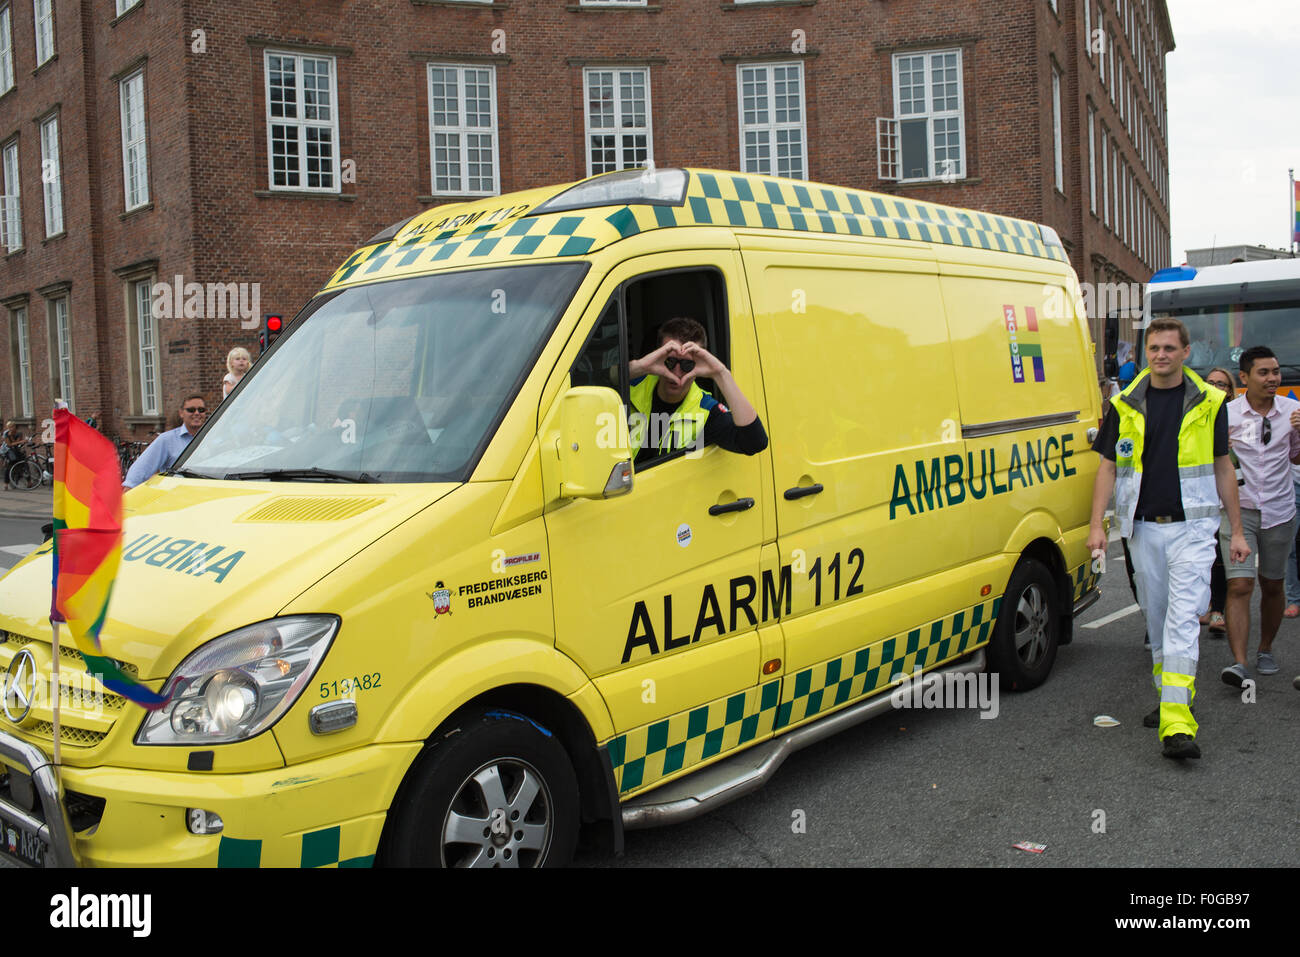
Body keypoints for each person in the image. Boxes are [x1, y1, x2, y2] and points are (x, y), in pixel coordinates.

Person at [1088, 318, 1247, 761]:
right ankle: (1169, 698)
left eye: (1169, 348)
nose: (1161, 355)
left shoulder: (1209, 401)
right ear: (1147, 352)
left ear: (1186, 352)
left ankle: (1178, 723)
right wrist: (1097, 524)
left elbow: (1222, 466)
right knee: (1157, 622)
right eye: (1154, 348)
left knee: (1181, 620)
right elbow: (1107, 467)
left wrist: (1235, 530)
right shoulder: (1123, 402)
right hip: (1142, 530)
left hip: (1192, 530)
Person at [1219, 346, 1300, 687]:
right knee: (1239, 584)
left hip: (1280, 511)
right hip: (1240, 511)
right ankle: (1240, 663)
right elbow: (1219, 461)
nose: (1272, 379)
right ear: (1245, 377)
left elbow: (1296, 458)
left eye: (1276, 372)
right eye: (1264, 373)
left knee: (1272, 584)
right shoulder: (1227, 415)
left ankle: (1265, 647)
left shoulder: (1293, 410)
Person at [626, 317, 767, 465]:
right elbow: (600, 378)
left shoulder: (704, 411)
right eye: (670, 361)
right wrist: (639, 367)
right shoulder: (631, 385)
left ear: (698, 364)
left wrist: (720, 373)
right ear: (658, 356)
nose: (677, 371)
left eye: (687, 364)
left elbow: (755, 442)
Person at [1200, 367, 1238, 636]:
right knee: (1205, 557)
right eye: (1211, 383)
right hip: (1200, 495)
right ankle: (1208, 603)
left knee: (1222, 559)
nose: (1216, 387)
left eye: (1222, 384)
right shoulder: (1196, 413)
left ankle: (1219, 610)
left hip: (1229, 495)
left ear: (1230, 390)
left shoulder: (1237, 415)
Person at [123, 394, 208, 489]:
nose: (197, 413)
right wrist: (129, 488)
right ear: (181, 413)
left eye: (201, 410)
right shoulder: (167, 440)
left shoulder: (213, 438)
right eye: (191, 410)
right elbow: (141, 469)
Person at [1, 420, 26, 491]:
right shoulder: (6, 434)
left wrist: (21, 442)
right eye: (10, 427)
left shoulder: (19, 433)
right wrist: (11, 436)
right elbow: (9, 444)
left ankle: (29, 482)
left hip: (16, 449)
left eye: (13, 426)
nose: (11, 428)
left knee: (24, 462)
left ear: (15, 426)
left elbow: (16, 443)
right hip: (8, 450)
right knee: (9, 466)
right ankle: (6, 484)